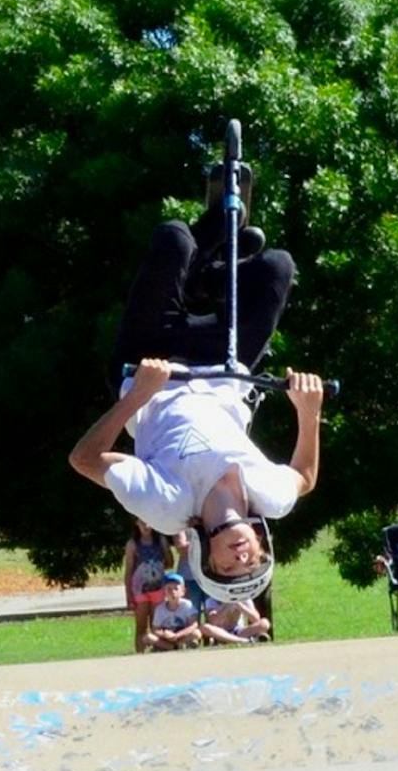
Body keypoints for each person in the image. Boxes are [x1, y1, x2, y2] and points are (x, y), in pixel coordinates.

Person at [68, 187, 324, 611]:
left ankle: (205, 248)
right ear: (261, 545)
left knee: (173, 239)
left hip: (151, 363)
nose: (242, 558)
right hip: (223, 364)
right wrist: (308, 412)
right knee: (276, 267)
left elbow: (85, 460)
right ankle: (211, 277)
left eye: (229, 568)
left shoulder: (167, 507)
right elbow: (305, 477)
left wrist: (139, 396)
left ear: (206, 557)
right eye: (253, 563)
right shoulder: (271, 497)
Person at [123, 519, 172, 654]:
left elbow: (169, 562)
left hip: (158, 589)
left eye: (149, 522)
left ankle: (157, 650)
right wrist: (129, 595)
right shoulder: (133, 544)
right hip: (140, 591)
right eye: (142, 523)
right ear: (137, 523)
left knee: (156, 625)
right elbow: (128, 571)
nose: (146, 526)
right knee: (141, 626)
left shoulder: (160, 540)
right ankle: (140, 653)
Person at [144, 572, 202, 651]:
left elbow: (194, 624)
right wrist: (165, 634)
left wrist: (177, 635)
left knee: (196, 633)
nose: (172, 592)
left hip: (182, 635)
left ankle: (179, 645)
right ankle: (173, 647)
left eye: (176, 588)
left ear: (183, 591)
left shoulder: (187, 605)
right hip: (166, 637)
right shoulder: (160, 609)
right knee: (148, 637)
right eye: (169, 589)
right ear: (164, 592)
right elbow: (155, 629)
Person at [199, 590, 272, 645]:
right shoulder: (211, 600)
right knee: (205, 627)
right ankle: (244, 641)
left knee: (265, 623)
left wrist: (240, 606)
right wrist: (227, 606)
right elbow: (213, 622)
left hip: (239, 631)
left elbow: (256, 619)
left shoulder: (243, 598)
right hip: (221, 632)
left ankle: (231, 640)